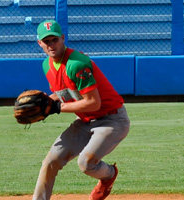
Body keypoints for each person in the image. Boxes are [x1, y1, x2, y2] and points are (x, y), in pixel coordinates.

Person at [33, 20, 130, 200]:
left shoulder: (77, 64)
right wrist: (47, 101)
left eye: (55, 40)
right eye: (46, 42)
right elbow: (66, 92)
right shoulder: (47, 65)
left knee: (86, 163)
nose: (51, 45)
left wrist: (57, 107)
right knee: (50, 162)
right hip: (85, 121)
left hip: (112, 120)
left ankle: (108, 175)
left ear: (63, 38)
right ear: (40, 43)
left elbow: (94, 103)